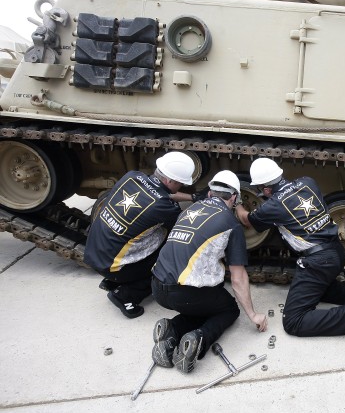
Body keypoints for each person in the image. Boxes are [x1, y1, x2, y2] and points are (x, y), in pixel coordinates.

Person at [235, 158, 345, 345]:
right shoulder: (307, 181)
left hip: (319, 262)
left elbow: (247, 220)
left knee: (293, 321)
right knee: (312, 290)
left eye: (261, 189)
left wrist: (237, 202)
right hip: (337, 251)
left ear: (267, 190)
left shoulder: (272, 206)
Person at [150, 170, 268, 373]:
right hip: (184, 293)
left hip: (156, 287)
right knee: (228, 309)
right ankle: (198, 340)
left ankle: (172, 329)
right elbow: (238, 278)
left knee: (203, 304)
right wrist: (253, 314)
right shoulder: (231, 224)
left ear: (211, 193)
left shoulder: (190, 209)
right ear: (234, 197)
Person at [84, 151, 194, 319]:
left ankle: (114, 280)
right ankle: (126, 294)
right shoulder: (164, 208)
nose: (182, 187)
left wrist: (192, 197)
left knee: (140, 230)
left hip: (94, 252)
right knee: (174, 251)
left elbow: (161, 193)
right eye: (181, 184)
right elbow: (181, 229)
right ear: (170, 180)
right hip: (112, 267)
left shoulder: (132, 176)